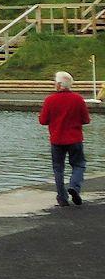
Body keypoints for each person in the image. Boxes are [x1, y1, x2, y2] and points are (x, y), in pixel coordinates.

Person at [39, 71, 91, 206]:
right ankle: (74, 186)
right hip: (75, 138)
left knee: (58, 168)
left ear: (59, 84)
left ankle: (62, 198)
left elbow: (43, 120)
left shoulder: (50, 100)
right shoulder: (78, 99)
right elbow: (86, 119)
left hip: (57, 139)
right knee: (79, 165)